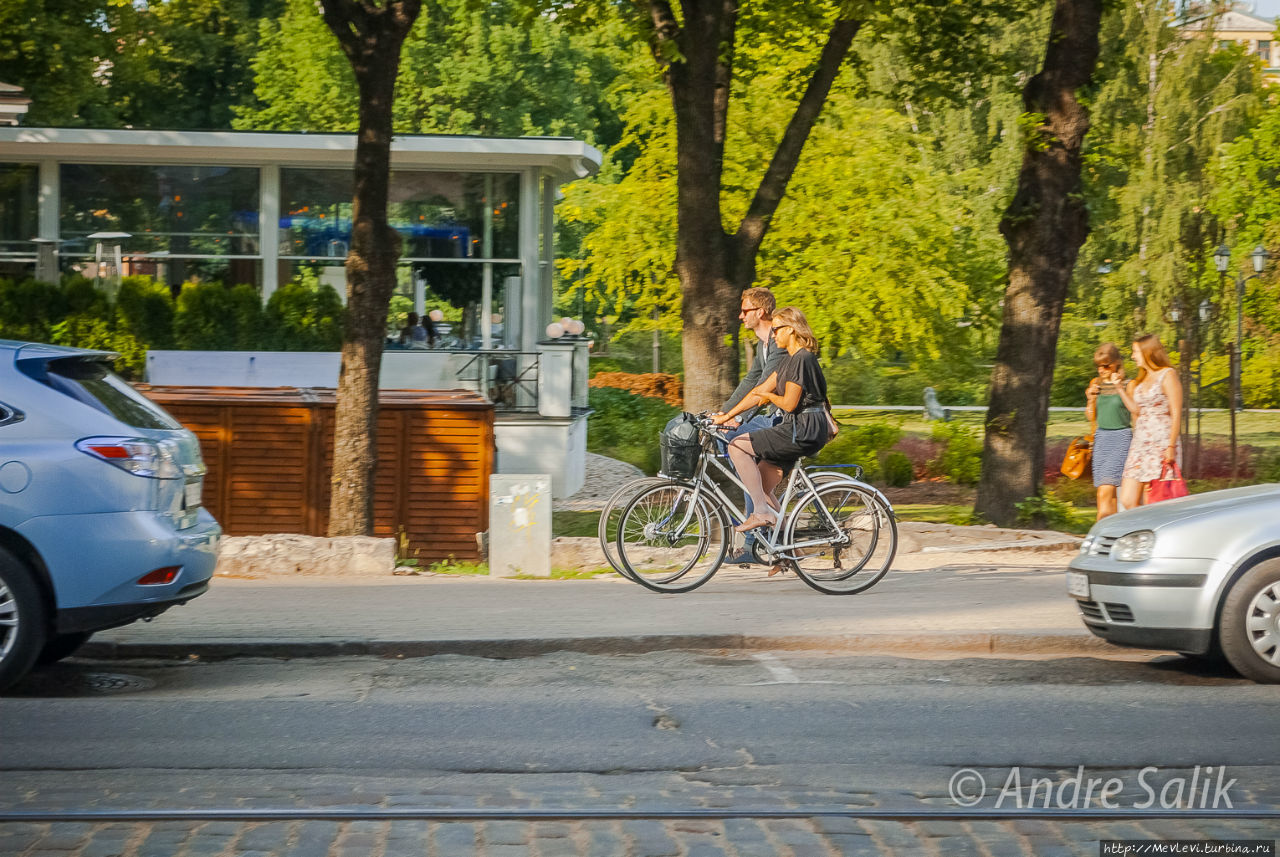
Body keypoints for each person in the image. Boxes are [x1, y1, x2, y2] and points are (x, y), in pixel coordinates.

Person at [712, 307, 832, 564]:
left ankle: (761, 514)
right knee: (763, 488)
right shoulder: (788, 360)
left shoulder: (803, 358)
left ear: (791, 329)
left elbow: (788, 404)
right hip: (796, 428)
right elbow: (757, 391)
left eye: (777, 329)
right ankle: (791, 553)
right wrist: (724, 416)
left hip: (803, 429)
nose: (773, 334)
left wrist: (769, 397)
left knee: (737, 447)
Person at [714, 287, 787, 564]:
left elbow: (762, 390)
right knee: (731, 444)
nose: (740, 315)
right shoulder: (762, 344)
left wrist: (737, 418)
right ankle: (766, 529)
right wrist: (723, 413)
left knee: (739, 450)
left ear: (760, 312)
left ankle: (753, 541)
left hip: (781, 419)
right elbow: (750, 381)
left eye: (745, 311)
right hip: (772, 416)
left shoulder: (779, 343)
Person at [1115, 333, 1182, 509]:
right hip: (1140, 443)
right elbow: (1137, 410)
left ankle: (1149, 534)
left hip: (1161, 442)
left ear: (1147, 352)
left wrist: (1171, 447)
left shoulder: (1167, 375)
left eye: (1135, 351)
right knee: (1127, 499)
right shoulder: (1141, 379)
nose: (1132, 356)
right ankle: (1142, 533)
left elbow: (1176, 412)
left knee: (1152, 498)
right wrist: (1119, 389)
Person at [1084, 343, 1131, 520]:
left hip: (1121, 437)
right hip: (1102, 438)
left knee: (1107, 490)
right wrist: (1090, 399)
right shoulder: (1096, 384)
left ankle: (1101, 534)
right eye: (1098, 365)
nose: (1101, 369)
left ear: (1117, 363)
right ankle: (1109, 534)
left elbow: (1135, 412)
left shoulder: (1128, 384)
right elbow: (1091, 417)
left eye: (1106, 365)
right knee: (1105, 494)